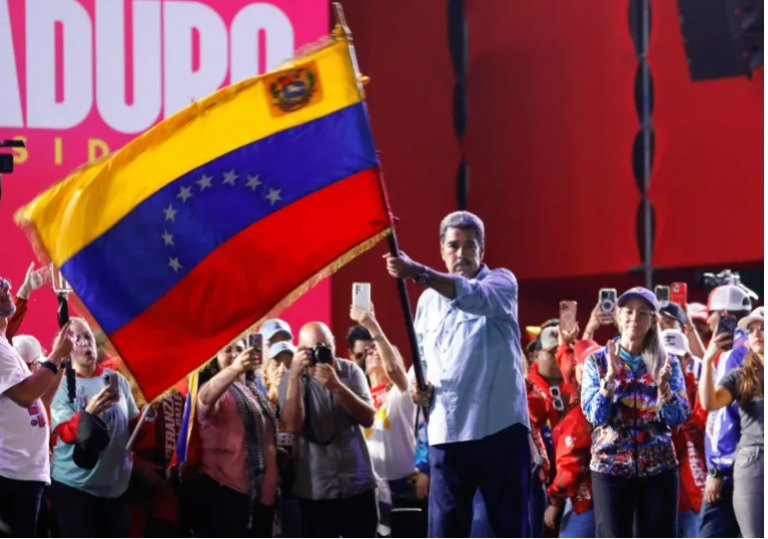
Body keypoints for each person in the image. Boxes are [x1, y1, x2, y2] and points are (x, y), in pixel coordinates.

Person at [385, 211, 530, 538]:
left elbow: (475, 297)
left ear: (482, 248)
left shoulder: (502, 283)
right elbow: (420, 360)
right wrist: (414, 387)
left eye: (469, 245)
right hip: (446, 437)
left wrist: (420, 272)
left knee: (511, 531)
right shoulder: (426, 302)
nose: (461, 253)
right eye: (453, 246)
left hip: (498, 431)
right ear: (441, 249)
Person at [581, 286, 690, 537]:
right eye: (628, 312)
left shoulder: (667, 361)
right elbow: (595, 417)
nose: (634, 318)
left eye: (643, 313)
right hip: (610, 469)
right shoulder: (597, 361)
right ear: (618, 317)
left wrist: (665, 390)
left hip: (658, 469)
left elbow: (679, 416)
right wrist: (609, 380)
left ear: (653, 321)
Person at [279, 322, 378, 538]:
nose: (321, 352)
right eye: (314, 348)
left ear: (334, 344)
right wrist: (295, 376)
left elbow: (369, 417)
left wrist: (336, 386)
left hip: (357, 483)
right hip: (315, 489)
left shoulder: (350, 371)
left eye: (326, 346)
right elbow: (292, 426)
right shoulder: (291, 379)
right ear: (301, 351)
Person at [49, 317, 139, 537]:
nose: (84, 342)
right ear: (65, 349)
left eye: (87, 336)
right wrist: (89, 414)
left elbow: (132, 426)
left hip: (116, 489)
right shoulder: (58, 384)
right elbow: (65, 433)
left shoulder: (116, 380)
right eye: (75, 339)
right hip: (76, 490)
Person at [0, 277, 73, 538]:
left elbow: (40, 402)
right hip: (9, 474)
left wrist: (61, 361)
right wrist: (54, 357)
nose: (5, 285)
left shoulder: (5, 347)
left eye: (5, 281)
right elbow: (26, 395)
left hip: (26, 473)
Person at [186, 339, 278, 538]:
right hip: (226, 496)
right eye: (228, 350)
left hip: (261, 499)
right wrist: (234, 369)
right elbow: (205, 399)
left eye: (240, 348)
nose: (236, 354)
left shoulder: (255, 393)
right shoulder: (214, 390)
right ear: (214, 359)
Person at [699, 307, 763, 538]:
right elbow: (710, 403)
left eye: (763, 328)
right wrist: (707, 361)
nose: (756, 334)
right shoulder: (741, 374)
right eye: (751, 329)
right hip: (753, 461)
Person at [545, 339, 600, 538]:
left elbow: (571, 464)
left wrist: (554, 502)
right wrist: (564, 345)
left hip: (583, 499)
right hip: (608, 498)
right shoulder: (608, 400)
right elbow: (571, 374)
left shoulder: (581, 414)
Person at [663, 329, 707, 538]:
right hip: (657, 488)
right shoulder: (641, 392)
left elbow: (702, 427)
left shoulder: (701, 392)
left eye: (676, 357)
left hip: (691, 491)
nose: (670, 363)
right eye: (665, 357)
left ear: (688, 359)